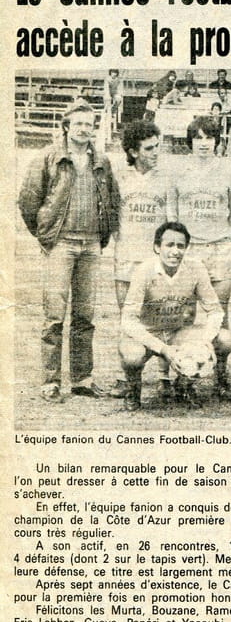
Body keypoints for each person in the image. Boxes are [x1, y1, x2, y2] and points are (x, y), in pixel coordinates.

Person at [18, 102, 119, 403]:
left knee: (85, 315)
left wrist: (102, 235)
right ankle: (50, 382)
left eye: (89, 124)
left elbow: (113, 200)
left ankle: (82, 379)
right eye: (78, 124)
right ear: (66, 126)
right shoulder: (48, 157)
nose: (84, 129)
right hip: (61, 244)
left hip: (90, 246)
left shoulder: (102, 160)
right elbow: (28, 201)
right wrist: (46, 236)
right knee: (54, 316)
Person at [119, 222, 231, 411]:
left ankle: (184, 385)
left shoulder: (195, 268)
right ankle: (133, 390)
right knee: (132, 355)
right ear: (157, 247)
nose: (175, 251)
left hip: (178, 332)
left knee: (225, 339)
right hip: (150, 334)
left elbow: (215, 311)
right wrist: (162, 348)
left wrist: (205, 341)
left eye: (180, 246)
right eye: (169, 245)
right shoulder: (144, 271)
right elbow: (128, 320)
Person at [167, 115, 231, 397]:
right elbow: (172, 213)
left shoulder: (228, 173)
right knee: (185, 315)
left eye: (209, 138)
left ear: (217, 141)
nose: (203, 143)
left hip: (219, 248)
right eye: (197, 138)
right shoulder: (179, 172)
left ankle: (221, 376)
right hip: (190, 250)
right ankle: (182, 377)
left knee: (219, 316)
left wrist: (223, 239)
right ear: (190, 142)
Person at [109, 120, 168, 398]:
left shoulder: (167, 179)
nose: (156, 153)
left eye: (158, 147)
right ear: (133, 152)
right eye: (149, 148)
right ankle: (127, 378)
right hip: (126, 260)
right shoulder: (118, 178)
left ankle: (166, 375)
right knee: (129, 320)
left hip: (156, 263)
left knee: (162, 319)